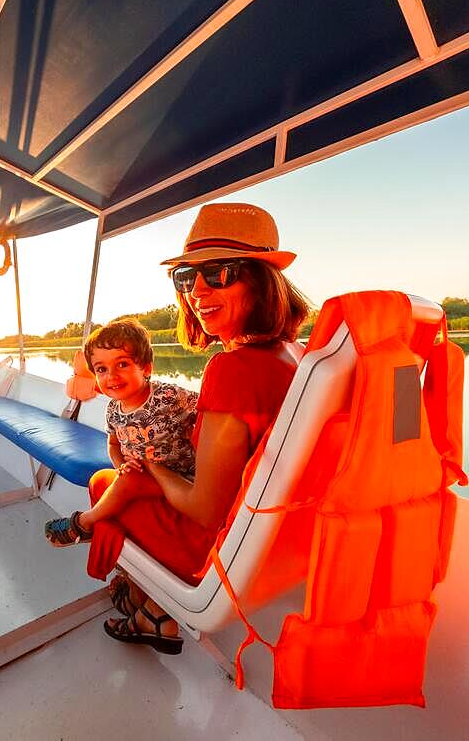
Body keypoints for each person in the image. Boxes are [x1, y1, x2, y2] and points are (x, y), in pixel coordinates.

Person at [83, 202, 309, 655]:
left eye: (219, 273)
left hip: (216, 551)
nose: (197, 290)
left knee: (105, 481)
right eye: (186, 278)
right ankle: (149, 605)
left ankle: (155, 611)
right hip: (278, 544)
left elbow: (205, 509)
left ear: (260, 280)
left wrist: (150, 468)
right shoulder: (295, 353)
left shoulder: (233, 369)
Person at [44, 319, 198, 547]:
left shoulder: (168, 395)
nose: (111, 376)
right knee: (125, 478)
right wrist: (120, 465)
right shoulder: (113, 410)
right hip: (143, 476)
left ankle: (83, 524)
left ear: (146, 367)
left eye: (122, 364)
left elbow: (208, 409)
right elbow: (113, 444)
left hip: (180, 479)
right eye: (101, 369)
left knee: (128, 482)